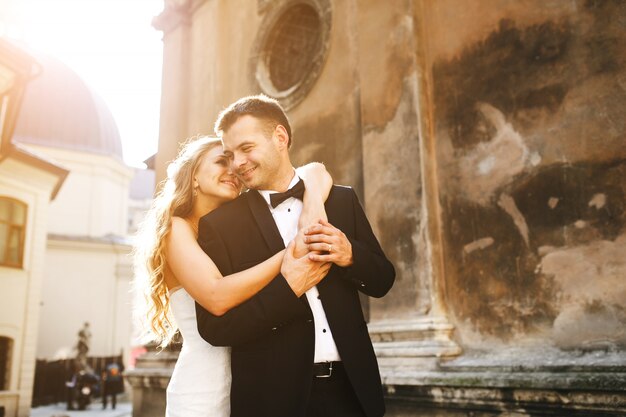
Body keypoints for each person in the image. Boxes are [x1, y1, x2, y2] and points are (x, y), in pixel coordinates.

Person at [196, 95, 396, 417]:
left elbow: (383, 280)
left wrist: (349, 255)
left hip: (353, 393)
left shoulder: (341, 200)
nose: (237, 164)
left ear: (280, 138)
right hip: (271, 400)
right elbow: (215, 329)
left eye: (246, 149)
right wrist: (287, 290)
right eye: (230, 155)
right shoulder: (220, 226)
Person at [134, 136, 333, 417]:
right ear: (193, 178)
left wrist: (312, 204)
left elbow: (316, 172)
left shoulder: (228, 234)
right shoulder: (177, 228)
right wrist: (291, 254)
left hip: (251, 387)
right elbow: (216, 296)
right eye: (220, 161)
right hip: (203, 391)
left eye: (235, 163)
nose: (233, 169)